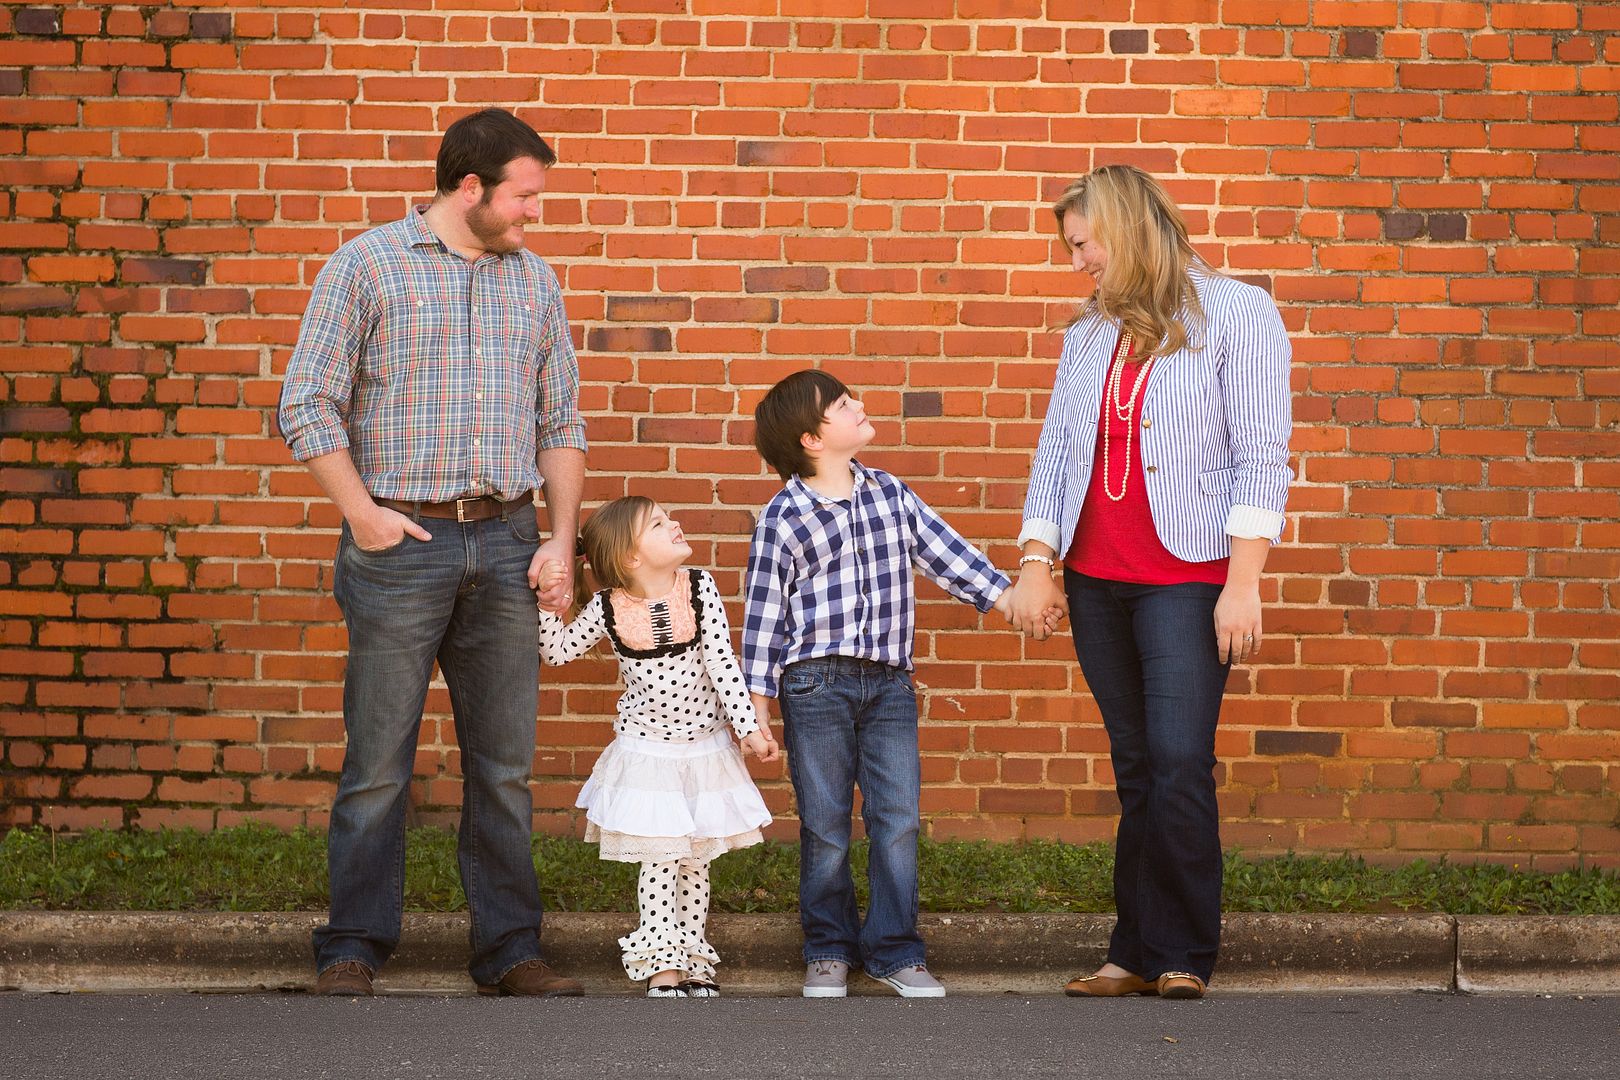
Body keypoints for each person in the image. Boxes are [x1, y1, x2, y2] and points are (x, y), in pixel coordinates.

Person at [277, 108, 587, 998]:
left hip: (506, 539)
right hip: (399, 543)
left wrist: (560, 540)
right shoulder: (367, 266)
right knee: (378, 762)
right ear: (469, 187)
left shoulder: (535, 282)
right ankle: (354, 946)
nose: (534, 215)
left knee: (504, 766)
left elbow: (560, 420)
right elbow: (306, 402)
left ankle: (509, 949)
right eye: (525, 197)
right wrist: (363, 514)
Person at [1002, 165, 1293, 1000]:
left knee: (1177, 759)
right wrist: (1036, 561)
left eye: (1082, 244)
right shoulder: (1088, 333)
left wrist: (1244, 583)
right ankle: (1132, 950)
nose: (1077, 262)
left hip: (1190, 576)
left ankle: (1183, 953)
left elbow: (1260, 454)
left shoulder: (1238, 312)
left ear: (1125, 229)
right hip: (1099, 579)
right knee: (1135, 764)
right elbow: (1059, 451)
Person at [741, 369, 1026, 999]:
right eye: (844, 405)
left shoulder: (892, 495)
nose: (860, 405)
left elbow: (949, 556)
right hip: (815, 684)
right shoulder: (783, 518)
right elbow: (763, 618)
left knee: (896, 818)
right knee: (825, 822)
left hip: (890, 685)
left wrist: (1013, 599)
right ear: (813, 438)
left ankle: (896, 950)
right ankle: (827, 948)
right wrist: (755, 708)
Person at [534, 497, 778, 997]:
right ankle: (661, 968)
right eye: (661, 524)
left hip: (705, 751)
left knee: (695, 860)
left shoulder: (699, 588)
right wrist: (547, 606)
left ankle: (692, 961)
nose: (677, 523)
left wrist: (748, 727)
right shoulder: (609, 607)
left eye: (671, 517)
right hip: (649, 757)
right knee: (660, 860)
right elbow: (556, 653)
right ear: (630, 558)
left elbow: (721, 662)